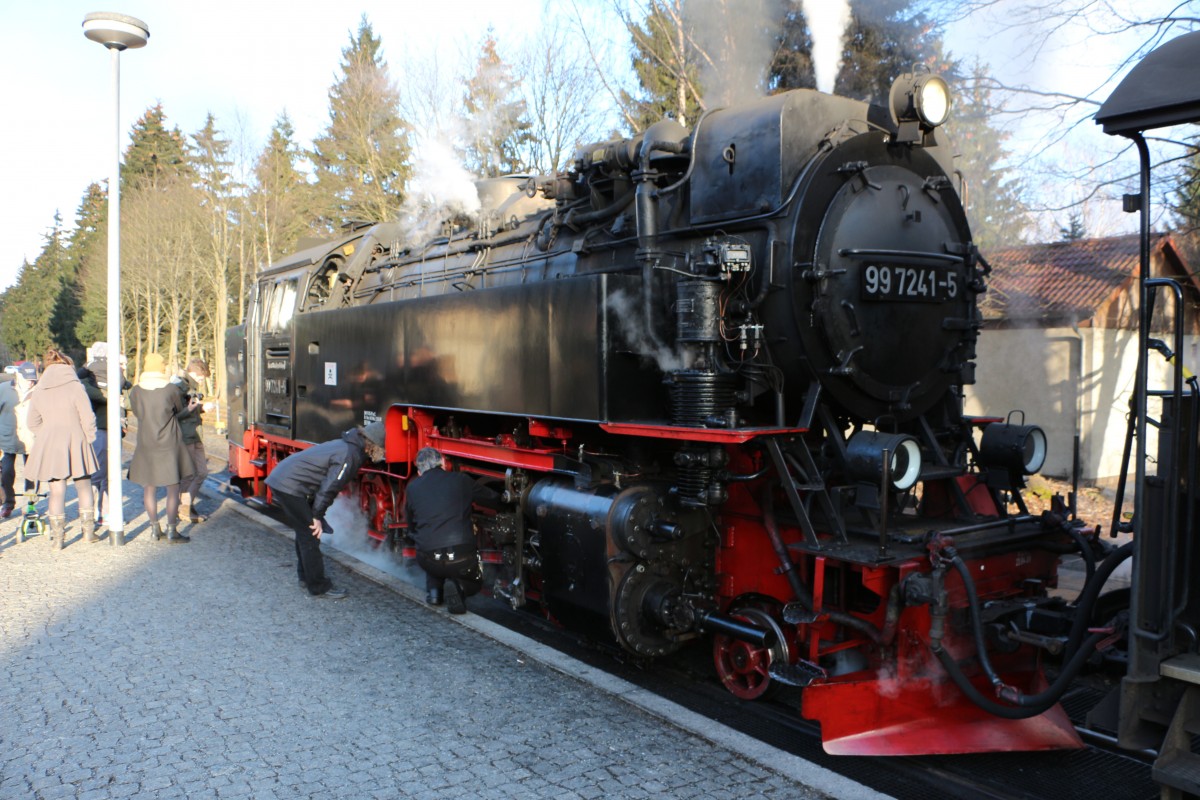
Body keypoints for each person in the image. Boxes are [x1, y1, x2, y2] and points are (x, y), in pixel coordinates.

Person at [265, 421, 387, 599]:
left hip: (284, 480)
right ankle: (318, 586)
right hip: (289, 485)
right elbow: (330, 487)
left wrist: (315, 514)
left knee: (304, 532)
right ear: (374, 445)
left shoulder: (347, 445)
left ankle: (305, 578)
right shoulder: (351, 455)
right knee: (311, 534)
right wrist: (316, 516)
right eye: (382, 448)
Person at [404, 447, 499, 614]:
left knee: (432, 549)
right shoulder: (461, 480)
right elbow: (492, 498)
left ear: (419, 472)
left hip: (428, 558)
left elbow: (411, 525)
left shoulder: (412, 488)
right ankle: (460, 587)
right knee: (475, 579)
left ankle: (435, 593)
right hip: (460, 556)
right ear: (443, 462)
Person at [25, 349, 100, 548]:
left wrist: (47, 434)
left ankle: (58, 540)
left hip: (51, 443)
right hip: (77, 439)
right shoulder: (75, 386)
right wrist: (89, 437)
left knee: (56, 491)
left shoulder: (39, 389)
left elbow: (32, 422)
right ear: (68, 366)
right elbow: (88, 416)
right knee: (84, 486)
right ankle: (88, 533)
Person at [128, 353, 194, 543]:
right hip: (169, 442)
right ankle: (172, 531)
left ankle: (154, 529)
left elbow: (137, 413)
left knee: (149, 487)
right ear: (161, 367)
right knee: (173, 487)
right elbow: (178, 409)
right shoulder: (170, 389)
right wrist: (190, 409)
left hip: (146, 442)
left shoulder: (136, 391)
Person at [84, 341, 130, 524]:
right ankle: (93, 513)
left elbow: (127, 401)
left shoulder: (118, 379)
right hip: (99, 429)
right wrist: (111, 396)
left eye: (124, 364)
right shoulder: (89, 378)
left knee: (110, 473)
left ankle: (106, 512)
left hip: (113, 428)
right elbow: (91, 394)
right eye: (120, 363)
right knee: (99, 473)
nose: (123, 367)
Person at [172, 357, 213, 523]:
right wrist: (192, 409)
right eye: (201, 378)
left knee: (201, 472)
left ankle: (185, 506)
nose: (202, 382)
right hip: (185, 436)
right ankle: (182, 508)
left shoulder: (191, 387)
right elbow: (173, 415)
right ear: (194, 374)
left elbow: (191, 409)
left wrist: (201, 408)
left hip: (195, 434)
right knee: (188, 474)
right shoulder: (178, 387)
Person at [0, 363, 36, 517]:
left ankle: (30, 504)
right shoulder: (3, 389)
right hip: (8, 438)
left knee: (31, 474)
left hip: (31, 439)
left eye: (33, 379)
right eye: (27, 379)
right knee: (6, 472)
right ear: (18, 376)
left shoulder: (39, 391)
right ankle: (8, 502)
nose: (30, 382)